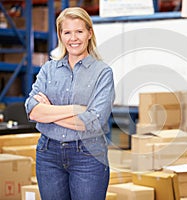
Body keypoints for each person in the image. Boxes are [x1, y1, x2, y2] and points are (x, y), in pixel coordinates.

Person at [25, 7, 115, 200]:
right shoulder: (49, 69)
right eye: (67, 32)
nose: (73, 38)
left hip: (88, 155)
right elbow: (32, 111)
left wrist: (49, 113)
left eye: (79, 31)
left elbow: (93, 122)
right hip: (48, 154)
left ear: (89, 33)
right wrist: (76, 110)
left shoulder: (102, 73)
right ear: (60, 35)